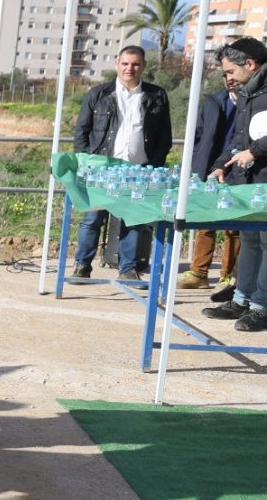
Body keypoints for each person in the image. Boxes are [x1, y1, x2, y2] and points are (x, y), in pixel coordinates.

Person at [70, 45, 174, 282]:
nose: (130, 68)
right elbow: (81, 132)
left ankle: (128, 269)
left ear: (143, 66)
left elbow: (164, 136)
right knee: (92, 219)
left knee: (133, 221)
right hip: (101, 169)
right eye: (125, 63)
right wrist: (86, 162)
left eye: (135, 64)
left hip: (139, 170)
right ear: (117, 64)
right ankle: (82, 265)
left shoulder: (157, 95)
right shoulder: (98, 94)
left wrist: (154, 166)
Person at [203, 37, 267, 332]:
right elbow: (238, 140)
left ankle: (262, 307)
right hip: (250, 185)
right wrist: (220, 164)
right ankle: (242, 299)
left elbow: (251, 145)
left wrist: (255, 151)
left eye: (230, 71)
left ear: (250, 64)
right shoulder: (245, 95)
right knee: (250, 240)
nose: (228, 77)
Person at [177, 67, 241, 292]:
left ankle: (228, 276)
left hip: (237, 170)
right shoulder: (214, 101)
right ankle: (199, 273)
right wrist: (196, 163)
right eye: (226, 75)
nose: (230, 79)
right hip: (208, 170)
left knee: (234, 226)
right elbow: (197, 135)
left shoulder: (253, 103)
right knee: (205, 221)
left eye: (233, 74)